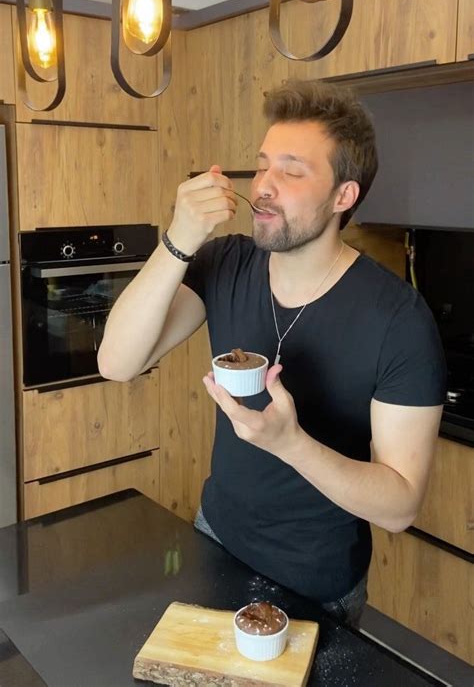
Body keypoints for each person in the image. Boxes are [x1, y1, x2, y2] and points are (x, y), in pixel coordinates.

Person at [98, 80, 446, 629]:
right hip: (215, 541)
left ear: (343, 196)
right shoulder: (224, 263)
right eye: (262, 166)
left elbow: (400, 505)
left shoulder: (399, 320)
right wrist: (178, 238)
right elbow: (116, 362)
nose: (262, 186)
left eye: (291, 170)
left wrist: (291, 445)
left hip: (319, 585)